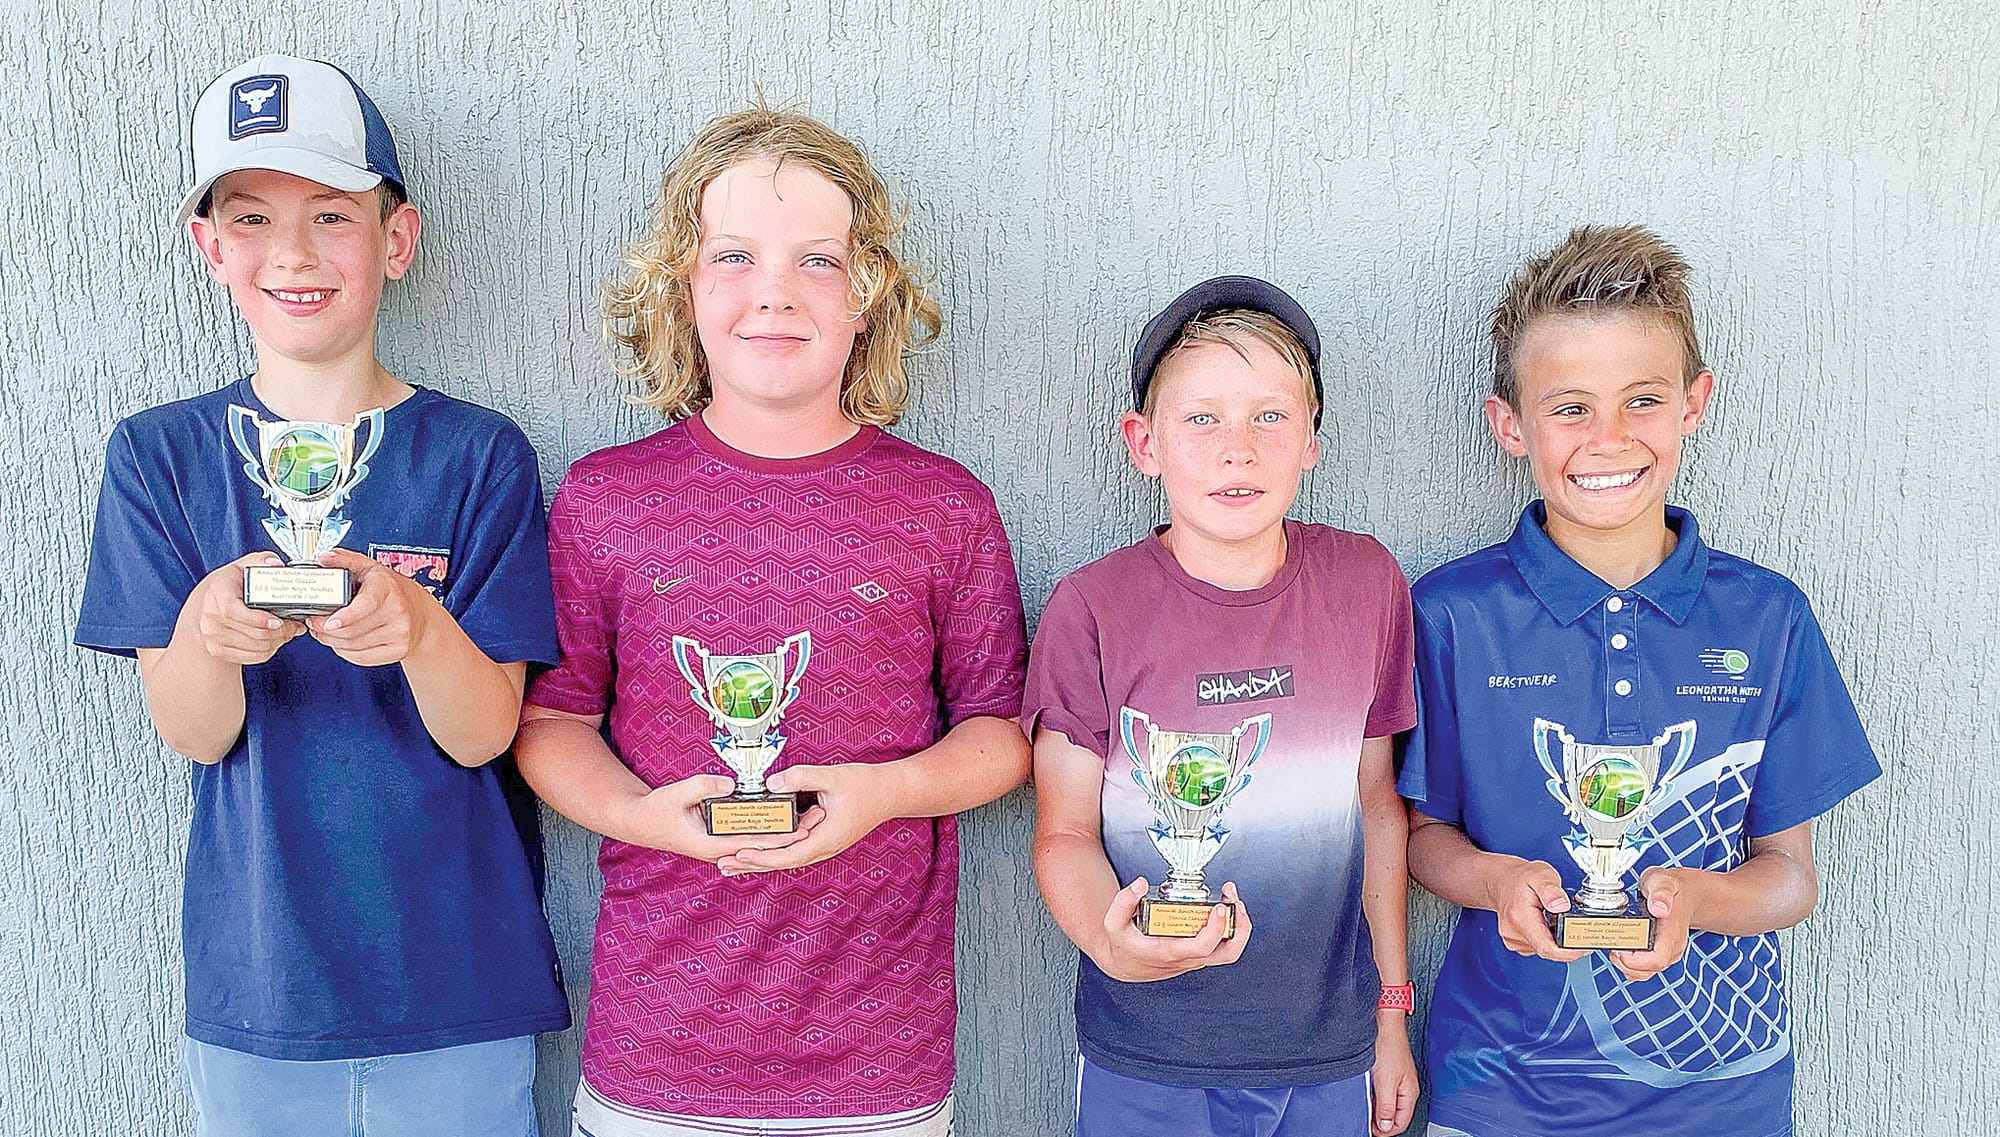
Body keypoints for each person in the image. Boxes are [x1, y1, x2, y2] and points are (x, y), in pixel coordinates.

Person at [73, 54, 568, 1136]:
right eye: (250, 218)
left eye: (332, 215)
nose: (292, 253)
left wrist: (417, 626)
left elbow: (486, 731)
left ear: (398, 239)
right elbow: (194, 732)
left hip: (457, 980)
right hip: (262, 988)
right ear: (209, 246)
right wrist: (209, 629)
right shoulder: (160, 456)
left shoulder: (478, 454)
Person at [514, 106, 1029, 1137]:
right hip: (658, 1056)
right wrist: (640, 815)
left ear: (868, 294)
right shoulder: (605, 499)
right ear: (684, 285)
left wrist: (888, 791)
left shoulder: (943, 505)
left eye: (818, 261)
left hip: (875, 1063)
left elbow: (1002, 737)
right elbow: (551, 723)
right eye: (735, 255)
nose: (775, 292)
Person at [1398, 225, 1882, 1137]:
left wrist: (1695, 900)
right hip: (1501, 1089)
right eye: (1570, 408)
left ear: (1694, 403)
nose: (1609, 438)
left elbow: (1789, 878)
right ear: (1510, 424)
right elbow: (1426, 841)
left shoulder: (1768, 616)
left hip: (1722, 1097)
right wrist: (1499, 881)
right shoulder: (1451, 614)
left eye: (1643, 400)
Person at [1024, 277, 1421, 1137]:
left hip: (1329, 1051)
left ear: (1311, 440)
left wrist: (1391, 1011)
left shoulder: (1366, 583)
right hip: (1149, 1053)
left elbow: (1376, 806)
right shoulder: (1092, 608)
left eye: (1269, 417)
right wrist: (1114, 942)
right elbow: (1063, 833)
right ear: (1144, 443)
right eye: (1202, 418)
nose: (1237, 449)